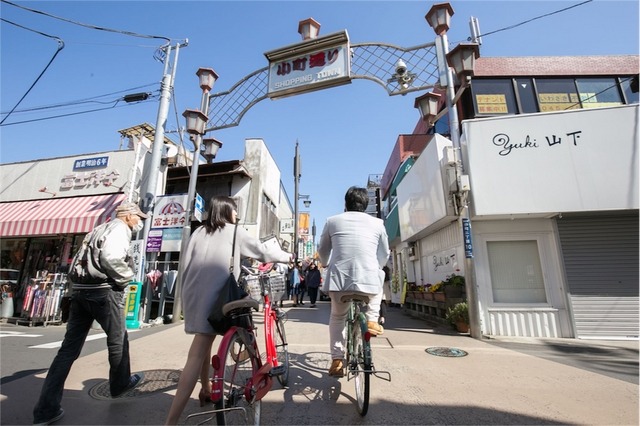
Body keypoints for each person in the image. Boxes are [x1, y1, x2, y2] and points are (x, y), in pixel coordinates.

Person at [165, 196, 293, 425]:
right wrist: (288, 256)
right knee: (195, 355)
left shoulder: (199, 232)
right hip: (215, 297)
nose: (237, 215)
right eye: (235, 211)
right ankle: (171, 421)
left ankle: (205, 389)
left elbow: (186, 262)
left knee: (204, 342)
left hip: (192, 293)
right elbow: (262, 252)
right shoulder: (234, 231)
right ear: (228, 211)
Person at [33, 201, 148, 425]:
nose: (139, 222)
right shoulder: (120, 229)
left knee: (68, 350)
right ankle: (120, 383)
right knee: (117, 340)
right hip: (103, 292)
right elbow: (111, 258)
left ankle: (45, 409)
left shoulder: (98, 228)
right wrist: (127, 278)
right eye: (138, 217)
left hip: (80, 292)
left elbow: (80, 260)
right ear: (127, 216)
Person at [317, 186, 390, 377]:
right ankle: (372, 319)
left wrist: (325, 264)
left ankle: (337, 360)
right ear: (366, 205)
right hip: (368, 280)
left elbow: (323, 250)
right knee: (378, 277)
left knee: (338, 317)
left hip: (339, 281)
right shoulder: (378, 223)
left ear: (345, 204)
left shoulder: (332, 221)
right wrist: (378, 266)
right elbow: (384, 254)